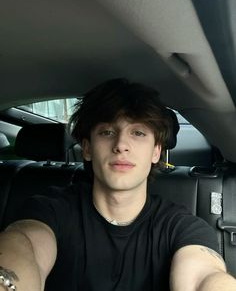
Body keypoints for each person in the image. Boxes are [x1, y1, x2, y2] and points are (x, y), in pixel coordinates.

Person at [0, 78, 236, 291]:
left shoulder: (182, 228)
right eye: (107, 132)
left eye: (138, 133)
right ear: (88, 148)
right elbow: (24, 246)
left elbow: (203, 278)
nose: (121, 144)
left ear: (156, 152)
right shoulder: (48, 213)